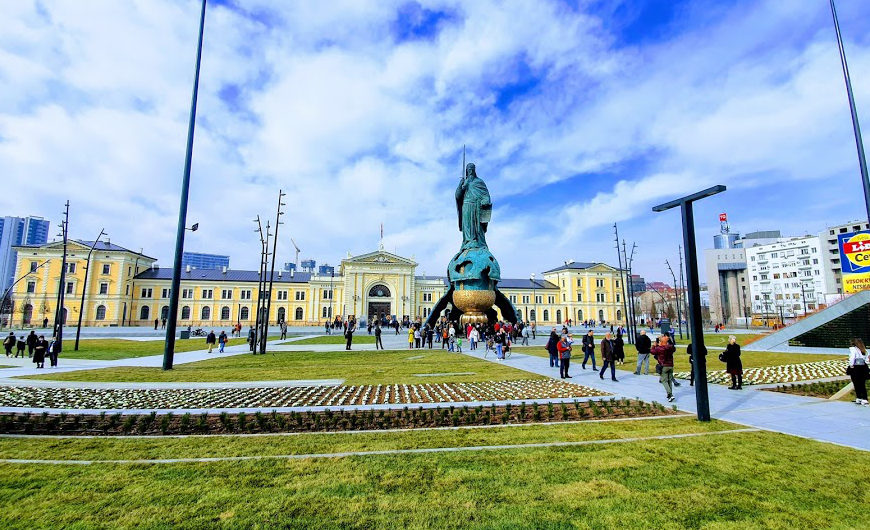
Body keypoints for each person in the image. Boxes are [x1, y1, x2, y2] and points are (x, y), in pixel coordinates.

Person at [651, 335, 676, 402]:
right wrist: (668, 339)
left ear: (661, 342)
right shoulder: (670, 348)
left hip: (664, 366)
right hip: (670, 365)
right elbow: (673, 346)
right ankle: (669, 395)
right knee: (669, 380)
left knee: (663, 380)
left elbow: (652, 352)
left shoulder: (659, 348)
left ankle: (670, 394)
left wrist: (654, 345)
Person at [848, 338, 869, 405]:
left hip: (856, 368)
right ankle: (863, 398)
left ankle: (860, 398)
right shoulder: (864, 349)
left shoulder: (853, 349)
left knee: (856, 383)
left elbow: (852, 358)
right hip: (863, 367)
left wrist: (851, 365)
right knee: (862, 383)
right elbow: (866, 359)